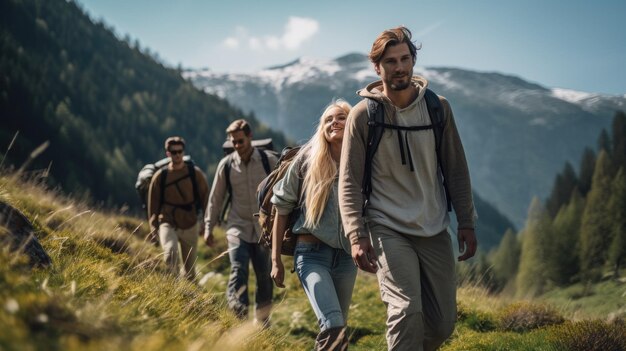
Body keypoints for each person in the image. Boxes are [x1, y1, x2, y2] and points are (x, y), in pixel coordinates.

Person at [338, 26, 478, 351]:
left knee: (442, 323)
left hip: (434, 227)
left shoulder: (437, 108)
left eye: (404, 59)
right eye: (390, 61)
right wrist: (356, 235)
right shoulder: (363, 116)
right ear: (377, 67)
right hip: (387, 228)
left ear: (413, 60)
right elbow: (349, 181)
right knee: (406, 310)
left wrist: (467, 222)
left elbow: (456, 169)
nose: (399, 67)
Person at [271, 100, 356, 350]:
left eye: (341, 117)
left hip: (347, 258)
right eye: (328, 119)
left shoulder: (361, 161)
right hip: (311, 255)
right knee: (333, 327)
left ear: (352, 122)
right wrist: (276, 260)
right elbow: (281, 206)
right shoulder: (307, 159)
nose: (334, 123)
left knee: (338, 331)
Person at [204, 119, 278, 325]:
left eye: (241, 141)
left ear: (250, 137)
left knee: (264, 275)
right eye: (233, 142)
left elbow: (284, 190)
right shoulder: (226, 165)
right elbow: (215, 198)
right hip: (237, 226)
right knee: (239, 268)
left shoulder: (268, 161)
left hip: (265, 229)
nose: (237, 146)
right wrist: (209, 227)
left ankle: (262, 320)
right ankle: (238, 315)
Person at [147, 136, 209, 282]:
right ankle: (172, 291)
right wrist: (152, 228)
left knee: (190, 271)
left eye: (180, 151)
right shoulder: (160, 176)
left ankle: (190, 299)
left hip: (190, 223)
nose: (177, 155)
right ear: (168, 153)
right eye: (173, 152)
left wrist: (206, 222)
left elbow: (206, 197)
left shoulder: (195, 173)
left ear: (183, 151)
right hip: (167, 222)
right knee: (170, 253)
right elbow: (153, 204)